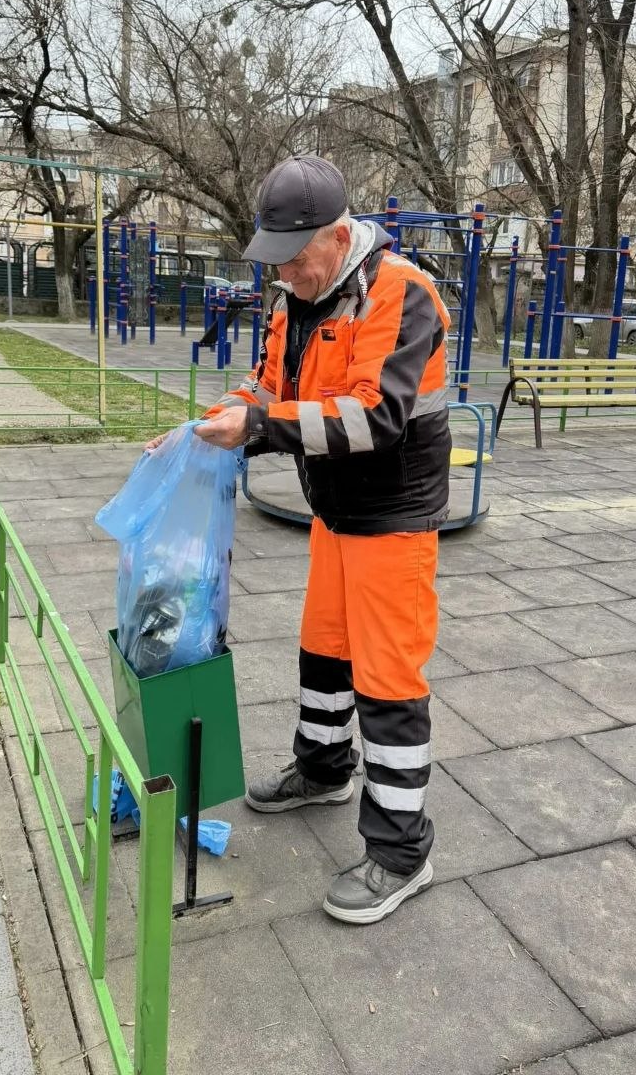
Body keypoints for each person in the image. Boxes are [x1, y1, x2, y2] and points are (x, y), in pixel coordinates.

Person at [153, 154, 451, 924]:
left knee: (388, 684)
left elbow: (372, 419)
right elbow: (268, 389)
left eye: (297, 256)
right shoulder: (295, 301)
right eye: (276, 259)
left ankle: (400, 851)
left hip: (394, 517)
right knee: (324, 652)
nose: (285, 273)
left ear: (339, 235)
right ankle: (323, 769)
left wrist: (258, 427)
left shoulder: (401, 294)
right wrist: (209, 426)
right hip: (336, 515)